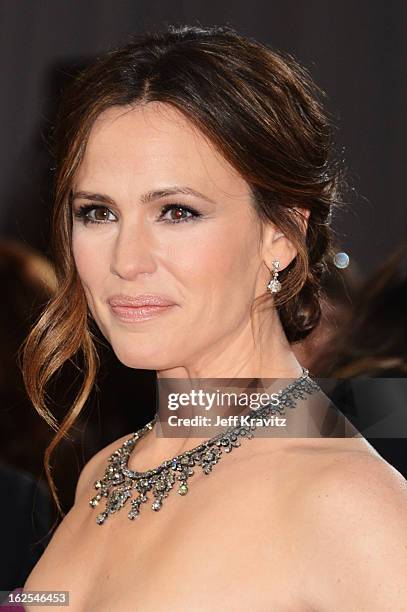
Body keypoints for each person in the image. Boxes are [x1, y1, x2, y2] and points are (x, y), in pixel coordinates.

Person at [21, 24, 407, 611]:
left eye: (176, 211)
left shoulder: (344, 500)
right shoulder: (104, 474)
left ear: (281, 234)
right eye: (97, 212)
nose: (125, 261)